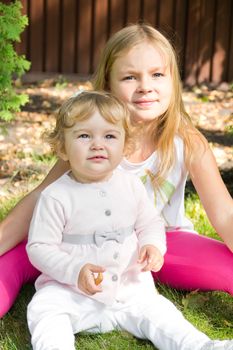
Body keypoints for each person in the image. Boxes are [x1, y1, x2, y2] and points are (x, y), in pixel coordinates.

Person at [0, 23, 232, 319]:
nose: (145, 86)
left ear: (173, 81)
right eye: (130, 77)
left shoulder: (186, 141)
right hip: (76, 243)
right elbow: (41, 198)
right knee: (17, 255)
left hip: (157, 246)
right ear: (108, 84)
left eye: (157, 74)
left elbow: (224, 213)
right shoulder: (92, 139)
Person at [26, 90, 232, 350]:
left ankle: (203, 346)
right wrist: (74, 271)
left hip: (128, 286)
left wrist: (153, 245)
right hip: (70, 291)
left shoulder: (130, 186)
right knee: (44, 311)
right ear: (62, 148)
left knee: (161, 313)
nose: (97, 144)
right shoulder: (55, 196)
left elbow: (150, 223)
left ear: (125, 146)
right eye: (84, 136)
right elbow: (39, 248)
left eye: (110, 136)